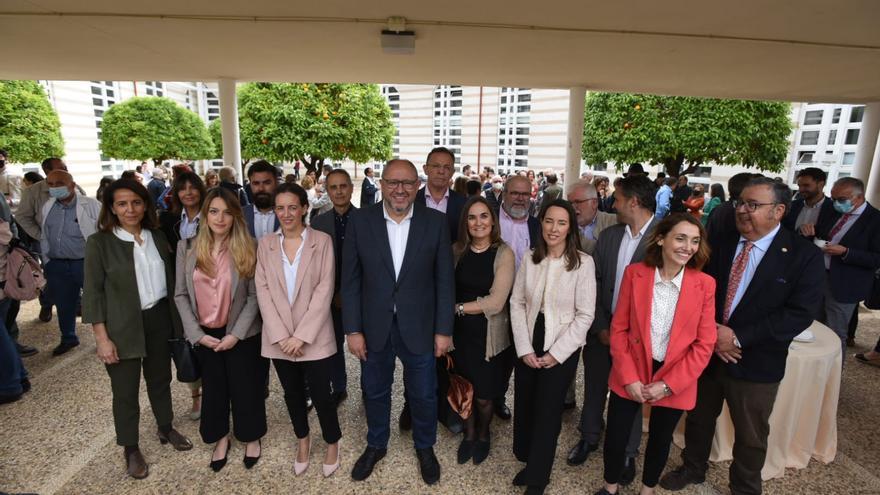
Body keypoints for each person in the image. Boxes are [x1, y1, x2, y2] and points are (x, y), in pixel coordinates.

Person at [660, 177, 824, 495]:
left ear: (778, 211)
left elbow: (798, 314)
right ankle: (693, 468)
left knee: (751, 434)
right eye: (740, 203)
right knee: (698, 418)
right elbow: (696, 292)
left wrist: (736, 338)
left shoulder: (803, 256)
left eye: (753, 205)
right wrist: (713, 334)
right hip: (708, 353)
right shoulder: (720, 243)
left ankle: (745, 488)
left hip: (756, 362)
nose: (743, 210)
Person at [342, 159, 454, 485]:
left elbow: (444, 282)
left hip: (420, 327)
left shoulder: (435, 223)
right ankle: (376, 444)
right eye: (393, 182)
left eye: (406, 183)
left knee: (423, 393)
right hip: (373, 327)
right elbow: (350, 282)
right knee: (374, 391)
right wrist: (353, 330)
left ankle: (425, 446)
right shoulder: (361, 222)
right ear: (381, 183)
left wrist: (443, 330)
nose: (400, 189)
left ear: (417, 185)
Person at [594, 213, 717, 495]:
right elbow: (620, 329)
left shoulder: (705, 285)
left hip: (675, 376)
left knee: (660, 440)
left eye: (695, 241)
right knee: (616, 436)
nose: (688, 247)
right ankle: (610, 487)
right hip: (632, 369)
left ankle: (648, 489)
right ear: (661, 239)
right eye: (681, 238)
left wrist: (668, 385)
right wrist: (628, 377)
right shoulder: (635, 273)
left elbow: (704, 344)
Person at [82, 179, 193, 480]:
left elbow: (171, 283)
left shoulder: (156, 237)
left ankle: (165, 427)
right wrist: (101, 338)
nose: (130, 209)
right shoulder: (100, 243)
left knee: (160, 379)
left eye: (136, 202)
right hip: (122, 327)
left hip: (159, 319)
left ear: (146, 204)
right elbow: (92, 293)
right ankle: (130, 447)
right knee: (125, 391)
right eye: (122, 203)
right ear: (112, 208)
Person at [568, 175, 661, 482]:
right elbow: (591, 283)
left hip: (638, 341)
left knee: (631, 396)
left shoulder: (663, 240)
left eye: (618, 199)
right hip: (602, 331)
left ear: (634, 201)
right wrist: (600, 325)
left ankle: (628, 452)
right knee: (594, 386)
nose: (614, 204)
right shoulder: (610, 236)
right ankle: (589, 437)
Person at [174, 187, 267, 472]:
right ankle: (220, 438)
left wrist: (235, 334)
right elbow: (180, 295)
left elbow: (253, 297)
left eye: (227, 212)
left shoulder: (249, 245)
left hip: (240, 332)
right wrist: (197, 334)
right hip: (204, 334)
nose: (220, 218)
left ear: (236, 216)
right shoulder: (186, 247)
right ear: (205, 214)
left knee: (246, 388)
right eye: (214, 211)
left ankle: (251, 437)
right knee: (213, 389)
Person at [255, 182, 342, 478]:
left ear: (305, 207)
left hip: (313, 336)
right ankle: (303, 440)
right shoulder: (266, 244)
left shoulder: (322, 241)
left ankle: (332, 441)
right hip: (279, 339)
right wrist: (282, 336)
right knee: (292, 395)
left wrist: (301, 335)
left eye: (293, 207)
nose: (286, 213)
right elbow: (263, 291)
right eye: (280, 208)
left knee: (322, 394)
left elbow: (325, 288)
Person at [510, 199, 596, 495]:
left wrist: (556, 354)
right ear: (541, 222)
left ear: (570, 227)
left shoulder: (583, 263)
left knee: (547, 412)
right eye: (549, 221)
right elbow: (517, 303)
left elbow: (585, 315)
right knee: (526, 406)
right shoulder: (531, 256)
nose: (554, 228)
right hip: (529, 337)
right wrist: (523, 347)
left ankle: (538, 478)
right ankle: (531, 461)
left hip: (562, 345)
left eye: (561, 222)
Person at [451, 196, 516, 466]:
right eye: (472, 217)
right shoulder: (456, 251)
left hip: (488, 336)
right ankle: (468, 436)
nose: (478, 223)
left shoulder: (504, 253)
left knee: (486, 397)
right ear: (465, 222)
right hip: (459, 336)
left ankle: (483, 434)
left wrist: (458, 308)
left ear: (493, 220)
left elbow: (497, 301)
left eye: (484, 216)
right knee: (463, 390)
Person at [803, 177, 880, 359]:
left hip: (845, 284)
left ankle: (832, 379)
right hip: (818, 277)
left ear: (858, 198)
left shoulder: (875, 220)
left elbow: (877, 258)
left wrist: (846, 252)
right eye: (833, 197)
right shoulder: (832, 211)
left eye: (841, 199)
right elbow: (820, 236)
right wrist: (809, 234)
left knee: (835, 332)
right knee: (811, 327)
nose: (836, 203)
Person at [157, 170, 207, 419]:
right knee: (187, 340)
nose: (188, 192)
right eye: (182, 188)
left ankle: (214, 392)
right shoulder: (169, 221)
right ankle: (195, 397)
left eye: (193, 187)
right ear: (176, 193)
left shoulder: (211, 216)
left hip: (209, 285)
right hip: (181, 286)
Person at [41, 170, 101, 356]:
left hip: (84, 263)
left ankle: (104, 338)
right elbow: (45, 235)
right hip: (57, 265)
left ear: (72, 185)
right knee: (63, 303)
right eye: (50, 184)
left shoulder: (90, 205)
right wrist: (47, 262)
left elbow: (103, 232)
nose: (54, 187)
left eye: (59, 183)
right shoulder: (48, 206)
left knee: (96, 301)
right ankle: (68, 338)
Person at [311, 169, 357, 406]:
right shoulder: (317, 223)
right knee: (333, 342)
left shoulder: (367, 218)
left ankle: (370, 389)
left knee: (367, 343)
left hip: (360, 296)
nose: (339, 191)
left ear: (351, 188)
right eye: (333, 187)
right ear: (327, 191)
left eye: (343, 186)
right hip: (329, 297)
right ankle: (339, 386)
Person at [0, 218, 30, 404]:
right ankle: (20, 376)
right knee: (3, 335)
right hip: (4, 285)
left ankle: (10, 386)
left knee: (1, 339)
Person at [417, 147, 467, 243]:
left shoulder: (464, 204)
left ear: (452, 172)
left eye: (447, 167)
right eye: (436, 166)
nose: (441, 171)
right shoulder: (411, 201)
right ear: (425, 169)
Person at [568, 180, 618, 255]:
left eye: (578, 202)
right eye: (570, 203)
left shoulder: (614, 222)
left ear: (594, 203)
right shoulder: (564, 225)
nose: (572, 207)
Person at [782, 167, 835, 238]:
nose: (801, 190)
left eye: (806, 185)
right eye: (799, 186)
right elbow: (782, 229)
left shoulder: (833, 209)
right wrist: (799, 231)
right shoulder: (792, 205)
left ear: (821, 185)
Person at [243, 160, 281, 240]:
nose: (261, 188)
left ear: (276, 183)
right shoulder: (240, 216)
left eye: (267, 183)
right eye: (256, 183)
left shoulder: (287, 214)